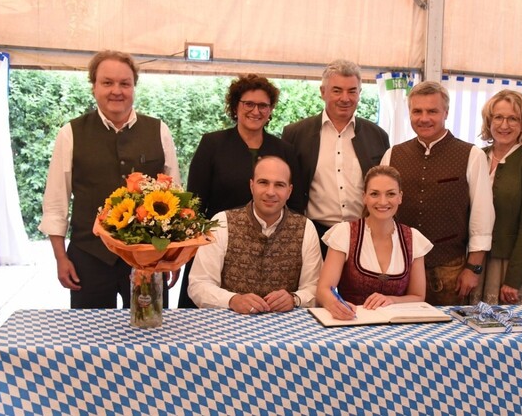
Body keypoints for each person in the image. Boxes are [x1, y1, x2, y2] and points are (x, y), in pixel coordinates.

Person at [39, 50, 181, 309]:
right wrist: (61, 258)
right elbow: (56, 203)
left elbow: (175, 197)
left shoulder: (159, 130)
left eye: (125, 84)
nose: (117, 91)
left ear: (133, 87)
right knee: (89, 342)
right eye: (107, 83)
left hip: (147, 258)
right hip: (89, 258)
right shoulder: (71, 133)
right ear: (94, 87)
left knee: (148, 337)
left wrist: (173, 255)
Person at [177, 74, 303, 308]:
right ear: (236, 106)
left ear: (270, 109)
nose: (256, 111)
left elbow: (295, 206)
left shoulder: (284, 149)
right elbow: (193, 205)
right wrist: (189, 250)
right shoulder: (212, 144)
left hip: (271, 253)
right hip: (216, 248)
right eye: (249, 104)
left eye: (263, 105)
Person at [381, 81, 495, 306]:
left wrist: (473, 268)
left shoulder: (471, 154)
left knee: (449, 338)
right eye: (417, 111)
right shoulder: (393, 154)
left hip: (449, 268)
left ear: (446, 112)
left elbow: (482, 215)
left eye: (432, 111)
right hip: (398, 266)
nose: (424, 118)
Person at [187, 156, 322, 312]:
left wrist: (295, 299)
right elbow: (199, 284)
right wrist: (232, 300)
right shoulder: (222, 222)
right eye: (263, 182)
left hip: (285, 326)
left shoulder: (305, 228)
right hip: (229, 323)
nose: (270, 192)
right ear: (252, 186)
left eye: (279, 185)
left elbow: (315, 286)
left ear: (289, 191)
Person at [282, 59, 390, 249]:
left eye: (352, 91)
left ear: (360, 93)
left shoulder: (378, 136)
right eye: (337, 90)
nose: (345, 98)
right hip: (315, 235)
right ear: (323, 92)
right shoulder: (296, 134)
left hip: (364, 234)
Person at [316, 166, 432, 320]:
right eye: (374, 194)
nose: (382, 201)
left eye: (390, 194)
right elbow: (324, 289)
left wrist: (392, 300)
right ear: (364, 197)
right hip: (352, 323)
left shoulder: (413, 238)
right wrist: (335, 305)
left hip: (397, 328)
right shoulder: (345, 233)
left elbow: (418, 296)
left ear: (400, 197)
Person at [472, 90, 522, 305]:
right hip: (474, 261)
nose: (504, 125)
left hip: (507, 264)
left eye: (512, 118)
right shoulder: (475, 157)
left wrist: (513, 279)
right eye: (498, 117)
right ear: (489, 121)